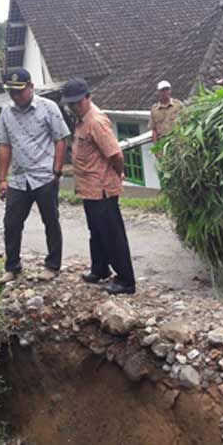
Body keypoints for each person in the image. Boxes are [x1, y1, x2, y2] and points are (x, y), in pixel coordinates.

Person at [0, 68, 71, 284]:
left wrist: (57, 170)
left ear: (31, 87)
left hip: (44, 175)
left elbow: (61, 139)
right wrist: (2, 179)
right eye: (11, 92)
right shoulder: (6, 112)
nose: (16, 96)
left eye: (19, 91)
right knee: (11, 223)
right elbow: (4, 145)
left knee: (50, 221)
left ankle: (52, 265)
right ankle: (12, 267)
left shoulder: (49, 108)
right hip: (19, 178)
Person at [61, 78, 136, 295]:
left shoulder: (95, 121)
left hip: (102, 189)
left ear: (87, 97)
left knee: (112, 235)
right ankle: (100, 269)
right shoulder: (81, 120)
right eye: (71, 104)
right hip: (89, 189)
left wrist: (118, 173)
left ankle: (126, 280)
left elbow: (115, 154)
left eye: (77, 102)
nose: (74, 107)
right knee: (96, 232)